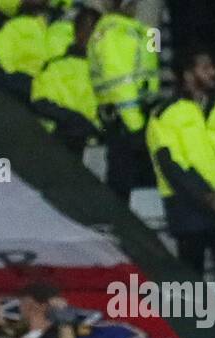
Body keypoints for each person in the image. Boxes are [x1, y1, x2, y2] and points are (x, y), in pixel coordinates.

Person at [145, 47, 215, 273]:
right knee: (190, 288)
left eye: (213, 67)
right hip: (189, 212)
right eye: (205, 68)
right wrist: (208, 197)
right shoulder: (164, 115)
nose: (213, 72)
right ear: (187, 74)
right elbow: (172, 165)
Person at [88, 0, 160, 201]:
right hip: (127, 121)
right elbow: (122, 85)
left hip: (129, 117)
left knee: (129, 181)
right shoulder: (116, 34)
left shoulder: (132, 31)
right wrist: (136, 126)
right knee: (127, 182)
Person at [30, 5, 101, 155]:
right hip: (56, 144)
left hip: (93, 146)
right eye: (86, 30)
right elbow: (40, 102)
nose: (89, 36)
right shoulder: (54, 67)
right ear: (76, 32)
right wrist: (76, 120)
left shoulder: (104, 73)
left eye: (94, 31)